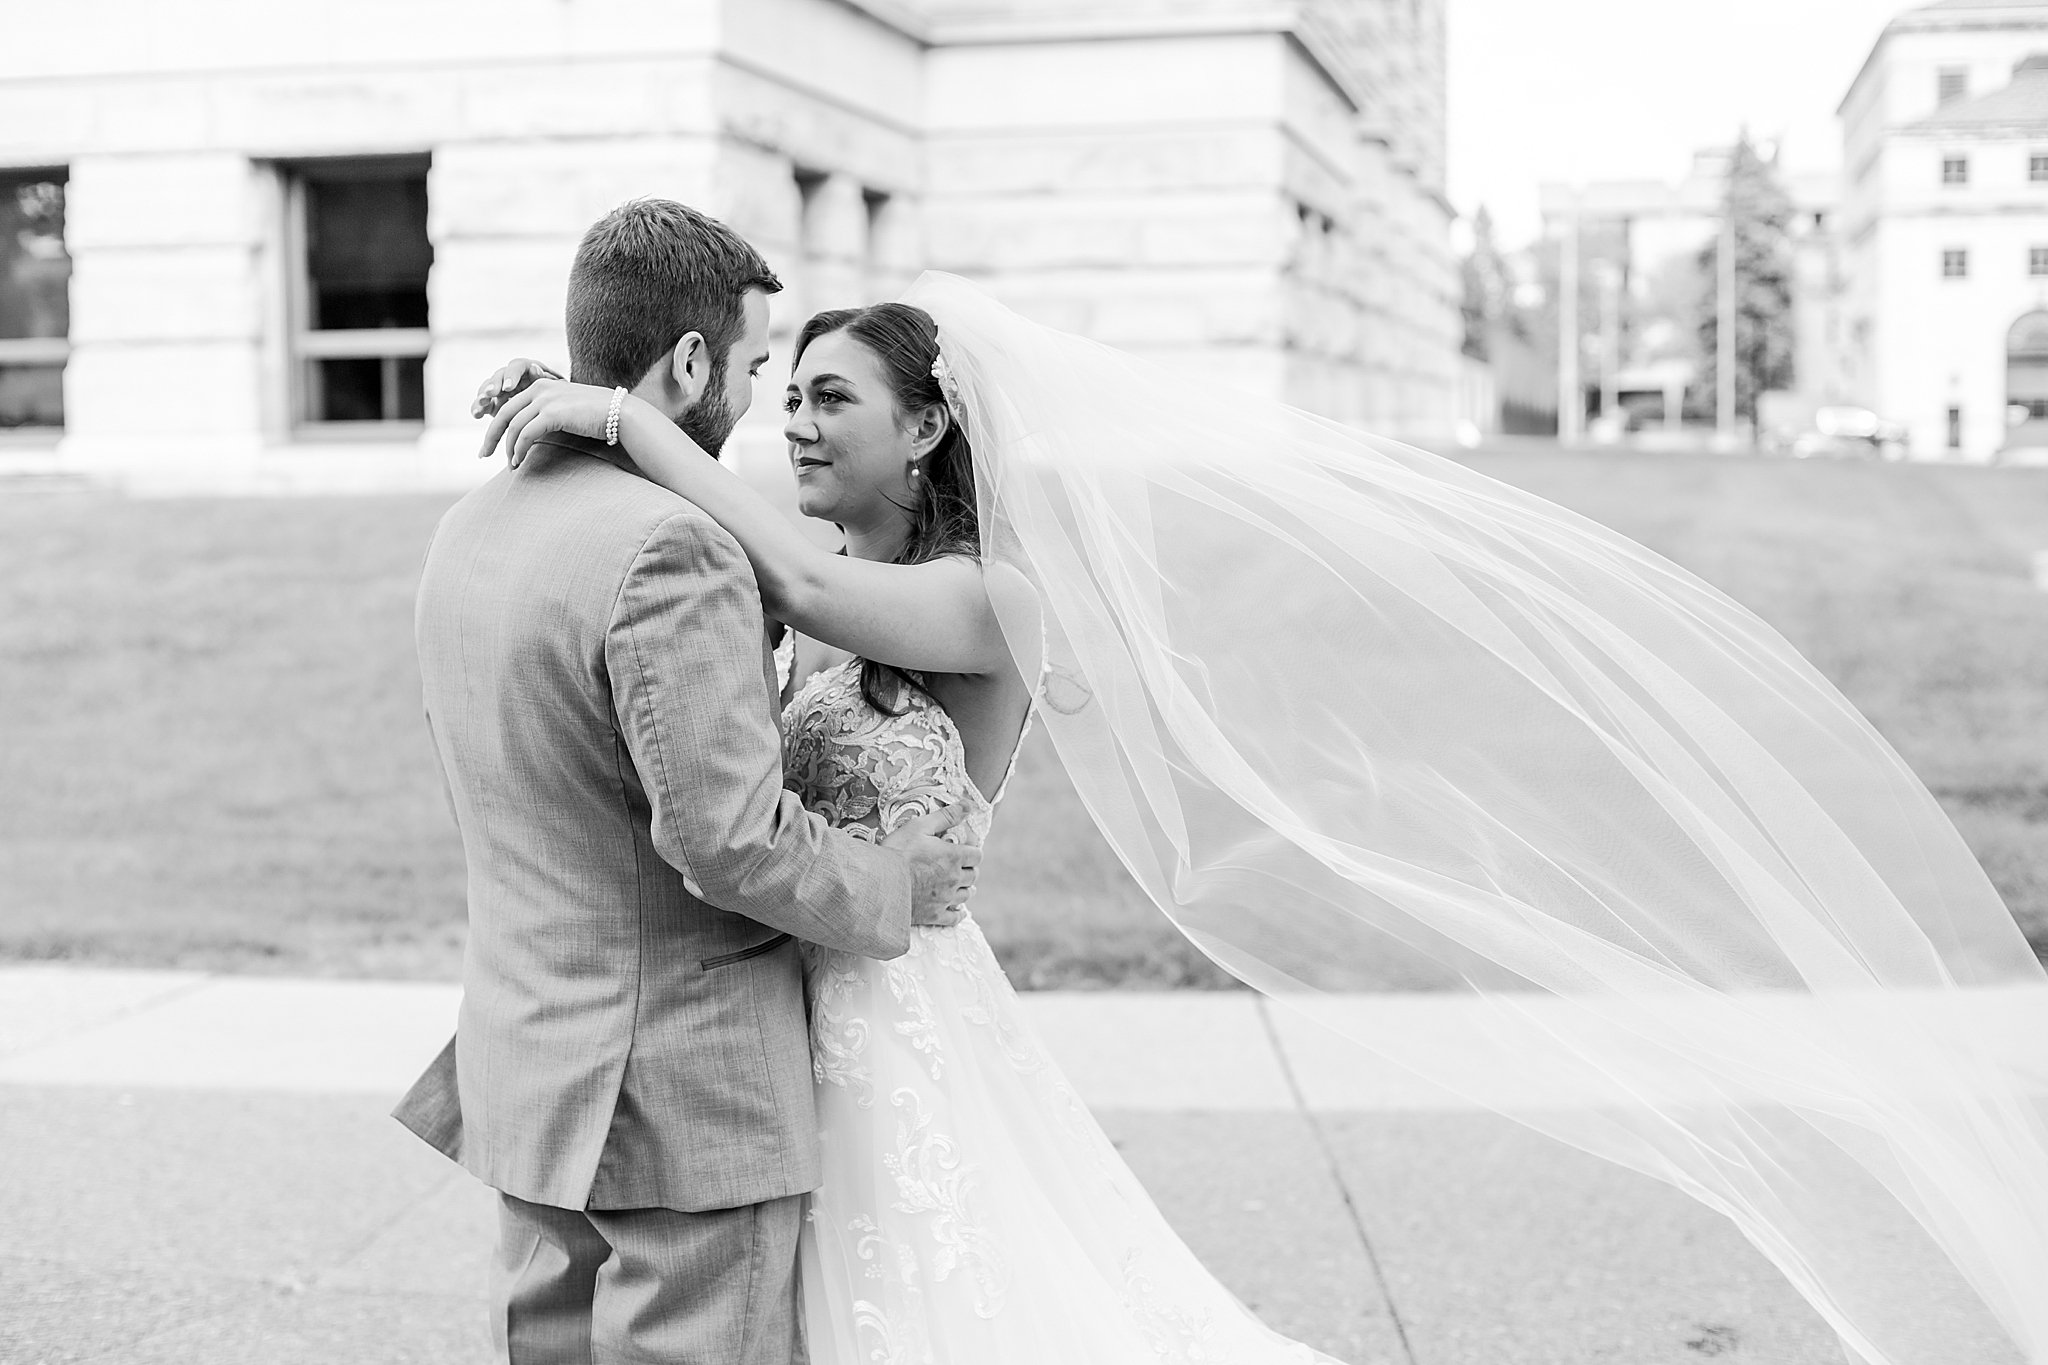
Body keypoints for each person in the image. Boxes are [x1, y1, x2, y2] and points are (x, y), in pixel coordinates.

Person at [479, 267, 2048, 1365]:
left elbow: (817, 582)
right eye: (786, 395)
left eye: (829, 399)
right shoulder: (804, 582)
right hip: (782, 995)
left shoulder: (984, 597)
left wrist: (619, 415)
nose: (795, 427)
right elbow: (747, 615)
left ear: (930, 428)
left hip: (889, 1008)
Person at [392, 199, 981, 1365]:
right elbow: (727, 840)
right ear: (694, 359)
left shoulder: (473, 521)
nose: (772, 407)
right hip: (677, 1091)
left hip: (528, 1056)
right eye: (764, 369)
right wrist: (890, 887)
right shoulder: (675, 546)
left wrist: (600, 420)